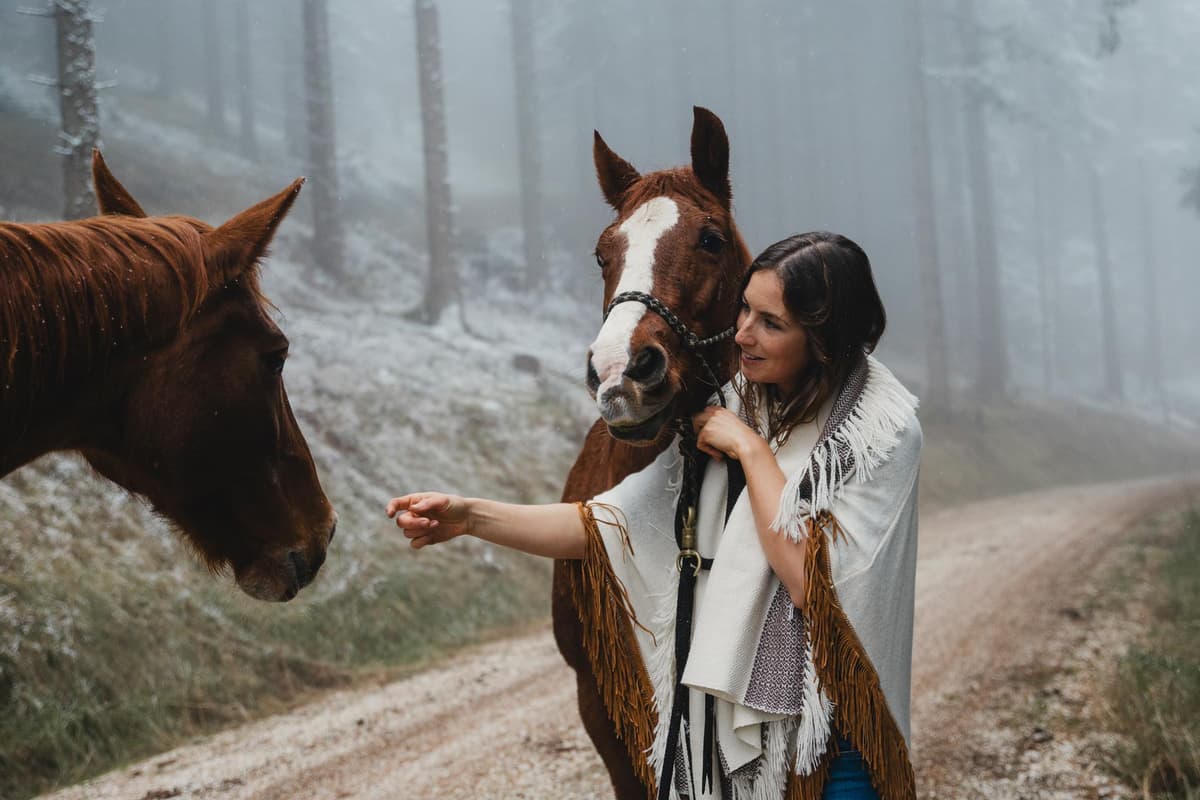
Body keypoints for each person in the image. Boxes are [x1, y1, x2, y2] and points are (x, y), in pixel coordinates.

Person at [387, 232, 921, 800]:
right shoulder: (740, 406)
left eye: (771, 323)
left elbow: (814, 586)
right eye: (744, 306)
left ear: (823, 340)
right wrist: (471, 516)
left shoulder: (879, 435)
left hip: (834, 743)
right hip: (733, 747)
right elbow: (607, 526)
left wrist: (752, 452)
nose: (742, 332)